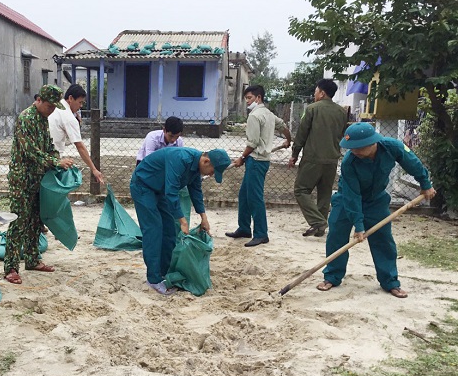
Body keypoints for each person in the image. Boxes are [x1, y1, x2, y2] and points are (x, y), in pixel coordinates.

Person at [316, 122, 435, 298]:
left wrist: (425, 184)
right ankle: (332, 276)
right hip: (346, 199)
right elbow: (352, 195)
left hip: (376, 200)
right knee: (336, 234)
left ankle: (390, 281)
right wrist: (359, 224)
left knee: (383, 239)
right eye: (351, 148)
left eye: (357, 148)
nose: (353, 151)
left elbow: (412, 163)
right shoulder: (350, 162)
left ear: (372, 143)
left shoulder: (392, 147)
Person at [130, 147, 231, 295]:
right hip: (143, 186)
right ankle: (153, 279)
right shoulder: (180, 159)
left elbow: (196, 191)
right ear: (206, 161)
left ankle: (165, 272)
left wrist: (204, 218)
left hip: (160, 190)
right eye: (212, 171)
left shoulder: (196, 168)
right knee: (154, 230)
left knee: (170, 230)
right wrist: (183, 222)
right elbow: (172, 191)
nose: (211, 174)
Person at [4, 85, 74, 284]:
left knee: (36, 220)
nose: (52, 110)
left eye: (54, 107)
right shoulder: (26, 119)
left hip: (38, 178)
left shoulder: (43, 120)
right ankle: (10, 267)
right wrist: (54, 162)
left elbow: (48, 147)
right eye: (50, 106)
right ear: (39, 100)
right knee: (18, 221)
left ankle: (33, 259)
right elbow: (30, 151)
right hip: (22, 179)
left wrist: (57, 158)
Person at [226, 85, 291, 247]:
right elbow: (283, 125)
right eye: (246, 98)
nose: (247, 102)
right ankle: (244, 228)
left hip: (256, 161)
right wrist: (288, 140)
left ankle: (261, 234)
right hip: (261, 161)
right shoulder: (268, 114)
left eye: (249, 98)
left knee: (255, 198)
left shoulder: (254, 116)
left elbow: (253, 143)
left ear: (259, 97)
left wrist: (242, 158)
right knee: (244, 195)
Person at [288, 79, 348, 237]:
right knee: (325, 193)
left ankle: (318, 222)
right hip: (332, 159)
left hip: (313, 157)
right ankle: (320, 227)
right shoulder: (342, 112)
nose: (314, 94)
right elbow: (342, 134)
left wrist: (294, 154)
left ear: (322, 93)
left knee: (301, 190)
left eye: (315, 91)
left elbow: (302, 134)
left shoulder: (312, 109)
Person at [48, 83, 104, 184]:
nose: (81, 106)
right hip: (52, 158)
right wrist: (94, 169)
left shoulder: (55, 106)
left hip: (41, 155)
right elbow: (80, 146)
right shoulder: (68, 116)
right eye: (80, 102)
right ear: (70, 98)